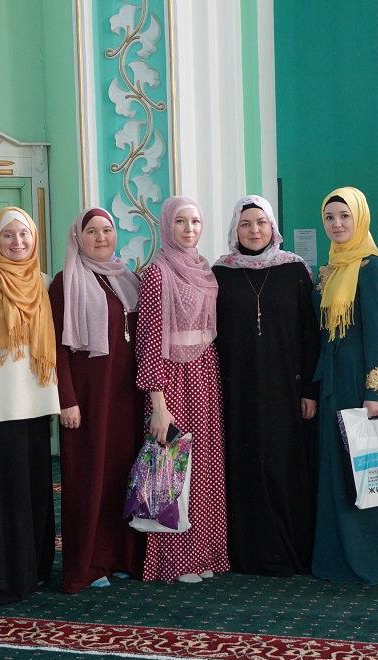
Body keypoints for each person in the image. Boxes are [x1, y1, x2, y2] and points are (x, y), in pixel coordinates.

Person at [213, 195, 320, 576]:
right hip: (237, 388)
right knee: (244, 463)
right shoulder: (220, 273)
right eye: (245, 224)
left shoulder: (294, 269)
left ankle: (290, 550)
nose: (254, 230)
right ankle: (247, 553)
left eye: (260, 222)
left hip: (286, 387)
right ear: (235, 229)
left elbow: (310, 334)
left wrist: (309, 390)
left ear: (273, 226)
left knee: (282, 463)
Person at [135, 195, 230, 583]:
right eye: (180, 222)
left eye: (195, 222)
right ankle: (176, 560)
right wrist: (158, 404)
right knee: (174, 466)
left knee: (203, 466)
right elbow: (149, 341)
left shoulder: (204, 269)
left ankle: (205, 552)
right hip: (172, 380)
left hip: (204, 374)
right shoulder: (157, 274)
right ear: (166, 225)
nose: (189, 229)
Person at [52, 207, 146, 593]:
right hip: (87, 400)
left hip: (127, 398)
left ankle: (122, 556)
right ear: (78, 237)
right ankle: (88, 564)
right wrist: (66, 398)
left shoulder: (129, 278)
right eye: (91, 231)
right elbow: (55, 348)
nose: (101, 237)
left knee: (124, 478)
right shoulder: (66, 281)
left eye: (107, 230)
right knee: (88, 480)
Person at [0, 207, 59, 603]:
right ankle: (5, 577)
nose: (17, 242)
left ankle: (36, 570)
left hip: (37, 404)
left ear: (34, 238)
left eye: (23, 234)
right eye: (8, 235)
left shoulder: (45, 283)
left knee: (35, 491)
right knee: (1, 495)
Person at [311, 187, 378, 585]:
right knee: (334, 468)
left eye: (345, 216)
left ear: (360, 218)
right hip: (332, 379)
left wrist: (374, 393)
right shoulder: (328, 269)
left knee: (357, 470)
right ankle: (334, 559)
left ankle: (366, 561)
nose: (337, 224)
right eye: (330, 217)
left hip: (358, 382)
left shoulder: (372, 267)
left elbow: (376, 334)